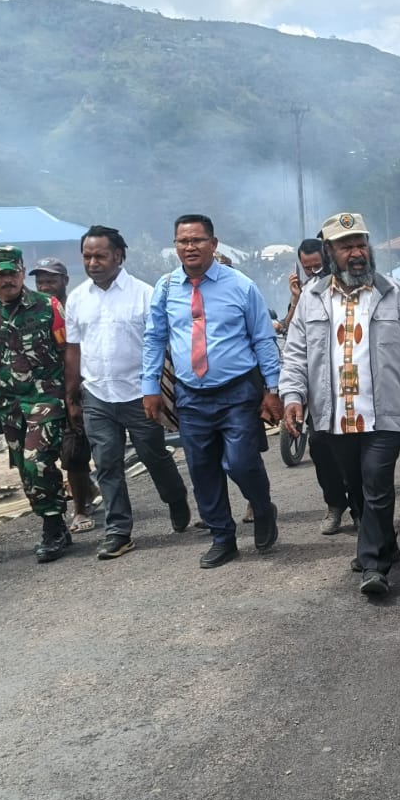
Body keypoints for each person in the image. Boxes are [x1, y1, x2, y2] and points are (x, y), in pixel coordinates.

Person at [280, 213, 400, 597]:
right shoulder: (312, 300)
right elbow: (296, 356)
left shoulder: (393, 293)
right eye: (347, 246)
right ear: (330, 252)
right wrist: (293, 397)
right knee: (356, 487)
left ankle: (373, 564)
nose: (357, 252)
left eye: (361, 243)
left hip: (384, 412)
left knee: (377, 482)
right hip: (333, 416)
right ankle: (385, 542)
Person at [142, 214, 283, 569]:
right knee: (202, 468)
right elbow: (154, 338)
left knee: (240, 462)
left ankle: (263, 508)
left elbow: (263, 339)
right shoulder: (166, 287)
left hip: (237, 392)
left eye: (197, 240)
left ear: (213, 244)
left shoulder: (241, 285)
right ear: (175, 246)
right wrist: (150, 388)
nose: (190, 247)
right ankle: (223, 537)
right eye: (182, 241)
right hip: (191, 394)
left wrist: (273, 388)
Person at [62, 225, 191, 560]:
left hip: (139, 394)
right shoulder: (76, 299)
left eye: (100, 255)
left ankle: (176, 498)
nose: (93, 263)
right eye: (87, 256)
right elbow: (74, 349)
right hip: (98, 395)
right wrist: (72, 393)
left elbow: (161, 346)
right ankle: (119, 531)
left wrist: (162, 392)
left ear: (118, 256)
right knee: (106, 463)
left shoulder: (145, 294)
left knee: (154, 455)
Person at [0, 245, 74, 562]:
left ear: (23, 272)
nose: (7, 279)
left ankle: (52, 527)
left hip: (47, 396)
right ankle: (55, 523)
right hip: (9, 404)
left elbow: (69, 351)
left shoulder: (47, 306)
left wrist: (73, 395)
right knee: (24, 469)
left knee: (36, 460)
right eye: (1, 274)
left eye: (13, 272)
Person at [282, 237, 354, 535]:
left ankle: (364, 511)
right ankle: (335, 506)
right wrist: (292, 393)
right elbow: (294, 345)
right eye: (307, 268)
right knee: (322, 453)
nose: (313, 273)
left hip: (353, 391)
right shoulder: (306, 295)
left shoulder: (355, 287)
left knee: (358, 458)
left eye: (317, 267)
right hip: (319, 395)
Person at [30, 257, 100, 535]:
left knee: (74, 453)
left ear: (65, 281)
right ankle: (87, 489)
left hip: (76, 388)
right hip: (43, 395)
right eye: (41, 282)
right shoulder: (34, 312)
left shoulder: (77, 307)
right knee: (49, 453)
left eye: (51, 280)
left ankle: (80, 510)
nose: (45, 286)